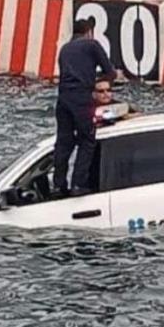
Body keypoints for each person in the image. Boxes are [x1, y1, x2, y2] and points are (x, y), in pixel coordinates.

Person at [53, 18, 118, 197]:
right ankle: (78, 184)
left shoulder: (64, 49)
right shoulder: (92, 45)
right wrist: (99, 82)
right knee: (87, 140)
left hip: (63, 99)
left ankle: (58, 186)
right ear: (89, 31)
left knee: (63, 143)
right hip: (81, 99)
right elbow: (109, 71)